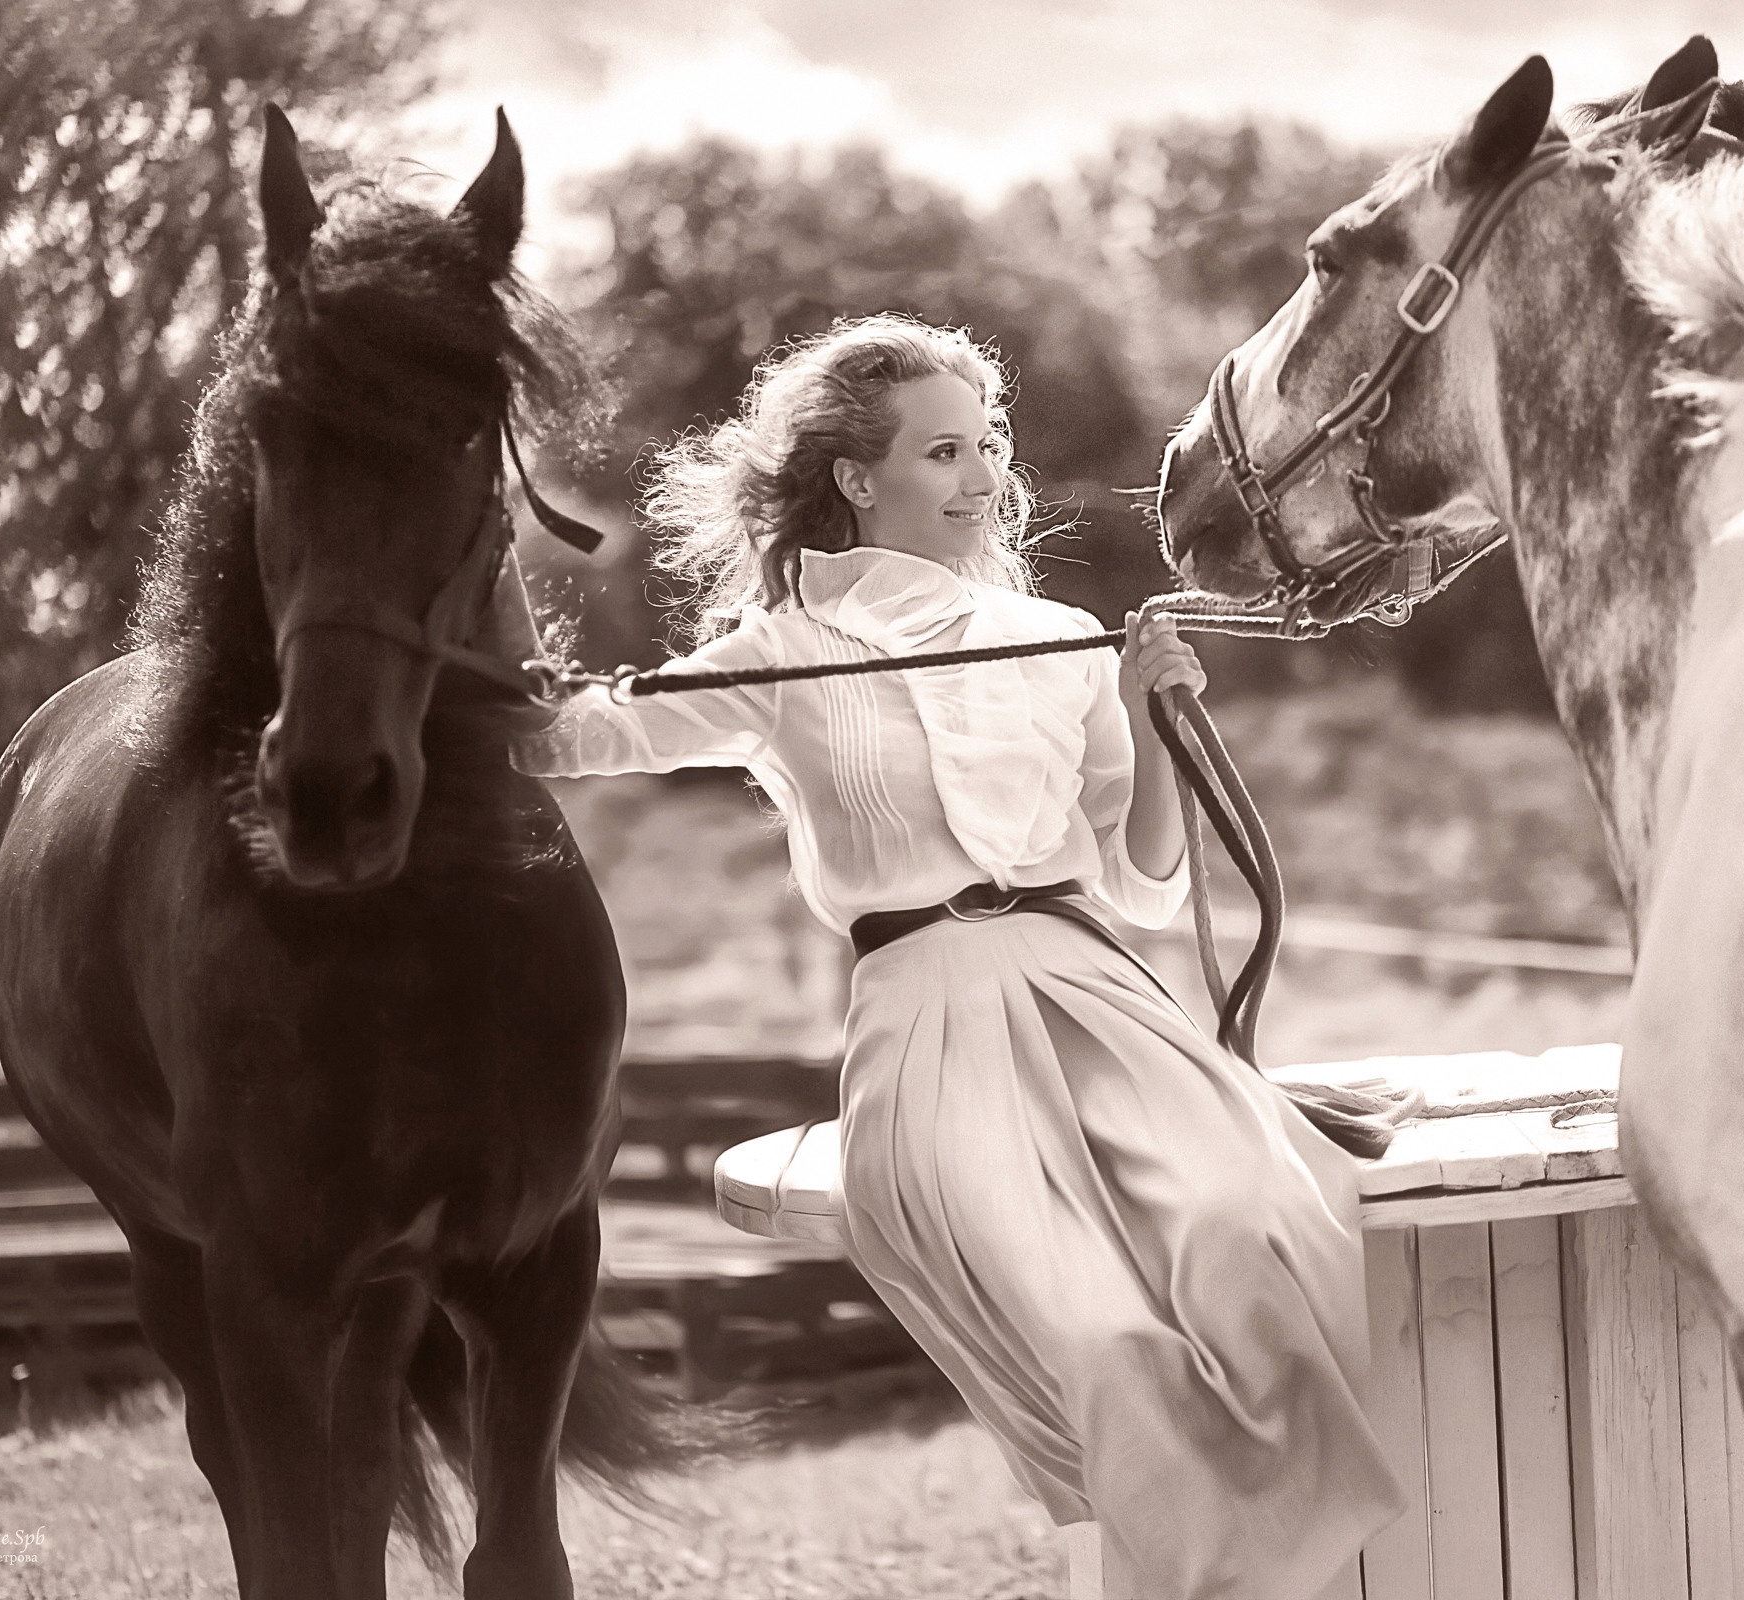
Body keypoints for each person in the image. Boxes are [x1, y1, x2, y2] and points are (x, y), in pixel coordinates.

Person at [513, 314, 1404, 1599]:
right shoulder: (782, 656)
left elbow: (1144, 887)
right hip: (924, 1019)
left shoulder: (1057, 639)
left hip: (1095, 991)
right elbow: (581, 738)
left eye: (987, 443)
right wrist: (454, 670)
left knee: (1247, 1225)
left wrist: (1153, 721)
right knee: (1097, 1340)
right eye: (943, 451)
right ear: (857, 480)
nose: (983, 475)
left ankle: (1281, 1565)